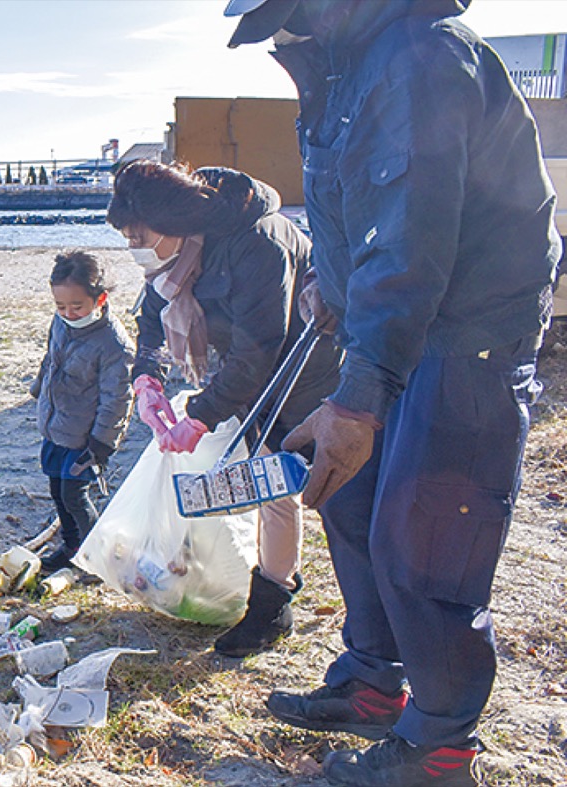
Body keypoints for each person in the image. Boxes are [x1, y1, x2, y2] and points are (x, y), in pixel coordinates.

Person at [224, 1, 561, 784]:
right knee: (353, 502)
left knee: (427, 536)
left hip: (462, 334)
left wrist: (360, 394)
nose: (278, 35)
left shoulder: (420, 57)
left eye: (284, 16)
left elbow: (411, 236)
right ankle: (375, 683)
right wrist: (328, 281)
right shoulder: (352, 64)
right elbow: (359, 212)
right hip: (393, 328)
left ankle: (440, 748)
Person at [105, 160, 341, 657]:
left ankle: (274, 605)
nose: (134, 249)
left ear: (173, 224)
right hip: (252, 372)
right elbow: (152, 319)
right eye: (127, 239)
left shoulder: (257, 242)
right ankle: (258, 585)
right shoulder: (174, 259)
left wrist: (200, 416)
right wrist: (146, 381)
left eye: (139, 237)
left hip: (303, 369)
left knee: (282, 482)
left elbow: (260, 348)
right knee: (261, 476)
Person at [30, 251, 135, 572]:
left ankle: (97, 556)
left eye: (77, 306)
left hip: (85, 440)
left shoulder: (114, 345)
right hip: (56, 426)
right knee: (57, 491)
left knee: (75, 495)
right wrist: (38, 388)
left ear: (100, 298)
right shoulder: (60, 323)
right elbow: (50, 359)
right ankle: (72, 546)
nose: (68, 313)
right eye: (60, 306)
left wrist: (101, 445)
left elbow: (117, 399)